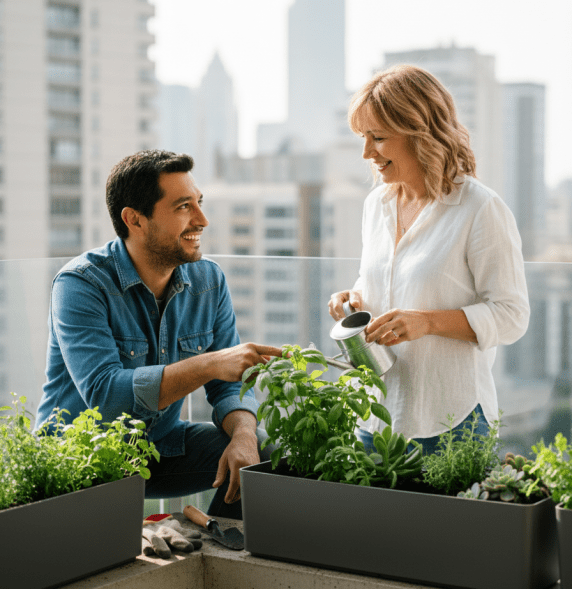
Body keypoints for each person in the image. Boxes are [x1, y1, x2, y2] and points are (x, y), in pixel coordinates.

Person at [35, 150, 283, 518]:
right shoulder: (80, 284)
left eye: (199, 203)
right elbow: (106, 396)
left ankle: (217, 545)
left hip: (159, 449)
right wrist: (210, 363)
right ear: (134, 219)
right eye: (184, 207)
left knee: (261, 452)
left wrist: (245, 436)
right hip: (82, 461)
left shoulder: (208, 280)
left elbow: (230, 387)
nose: (202, 219)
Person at [328, 65, 530, 455]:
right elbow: (387, 279)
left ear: (421, 133)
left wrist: (428, 322)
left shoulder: (480, 209)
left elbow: (511, 316)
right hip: (375, 418)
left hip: (451, 423)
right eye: (363, 138)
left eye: (379, 137)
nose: (367, 152)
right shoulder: (377, 204)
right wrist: (352, 297)